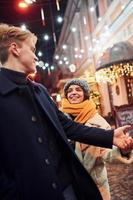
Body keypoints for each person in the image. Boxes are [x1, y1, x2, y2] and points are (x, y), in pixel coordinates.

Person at [0, 23, 133, 200]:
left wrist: (109, 136)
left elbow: (68, 126)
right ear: (15, 49)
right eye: (32, 50)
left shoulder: (39, 91)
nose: (36, 56)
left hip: (68, 188)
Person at [61, 78, 133, 200]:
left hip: (94, 187)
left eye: (78, 89)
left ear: (85, 94)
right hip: (70, 187)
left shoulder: (97, 122)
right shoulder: (61, 120)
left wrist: (123, 150)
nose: (73, 92)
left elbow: (107, 153)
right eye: (70, 90)